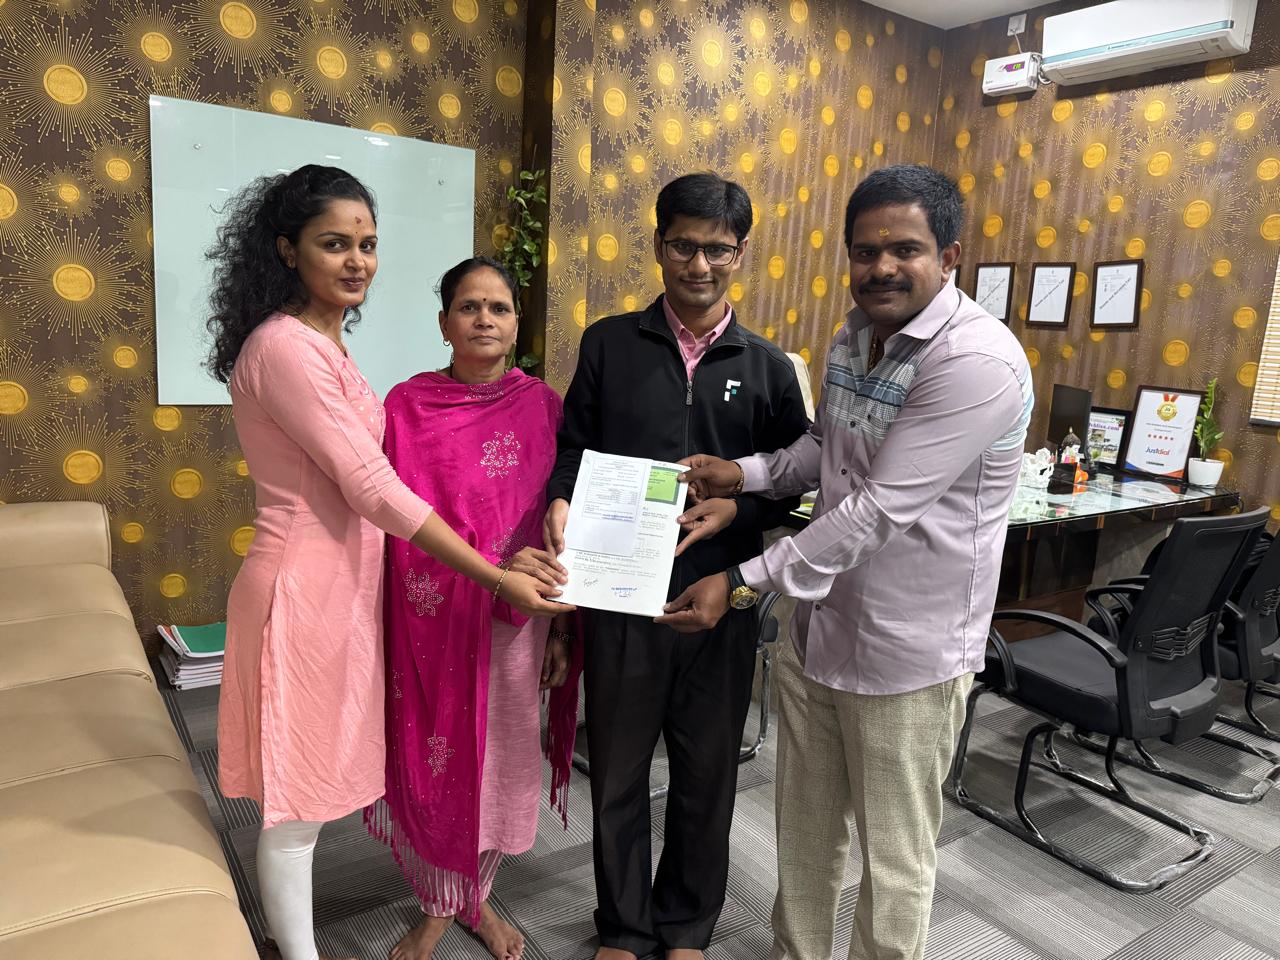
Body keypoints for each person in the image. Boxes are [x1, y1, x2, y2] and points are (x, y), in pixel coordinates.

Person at [659, 164, 1034, 960]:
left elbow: (878, 509)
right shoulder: (852, 337)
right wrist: (743, 474)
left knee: (893, 860)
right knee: (805, 833)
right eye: (865, 252)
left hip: (909, 653)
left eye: (905, 250)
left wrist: (742, 582)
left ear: (950, 255)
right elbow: (826, 450)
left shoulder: (976, 361)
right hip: (821, 627)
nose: (881, 268)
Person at [209, 166, 567, 960]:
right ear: (287, 249)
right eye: (334, 244)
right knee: (297, 800)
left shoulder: (325, 346)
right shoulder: (286, 348)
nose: (357, 261)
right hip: (306, 590)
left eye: (367, 245)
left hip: (352, 589)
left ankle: (461, 900)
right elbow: (373, 486)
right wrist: (494, 574)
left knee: (316, 784)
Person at [544, 172, 810, 960]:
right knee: (618, 771)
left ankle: (688, 926)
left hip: (718, 599)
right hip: (619, 596)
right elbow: (573, 450)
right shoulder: (609, 344)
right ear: (659, 245)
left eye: (717, 249)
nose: (700, 264)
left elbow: (791, 485)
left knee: (706, 773)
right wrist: (560, 501)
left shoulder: (769, 367)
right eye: (684, 246)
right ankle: (625, 928)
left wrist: (740, 512)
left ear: (741, 252)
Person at [366, 257, 580, 960]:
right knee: (435, 759)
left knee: (499, 765)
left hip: (518, 624)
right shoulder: (407, 406)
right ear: (444, 322)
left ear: (516, 325)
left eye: (499, 308)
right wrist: (485, 574)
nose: (484, 319)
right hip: (430, 619)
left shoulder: (544, 407)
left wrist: (559, 631)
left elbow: (559, 524)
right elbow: (393, 520)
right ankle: (440, 903)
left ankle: (472, 898)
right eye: (468, 307)